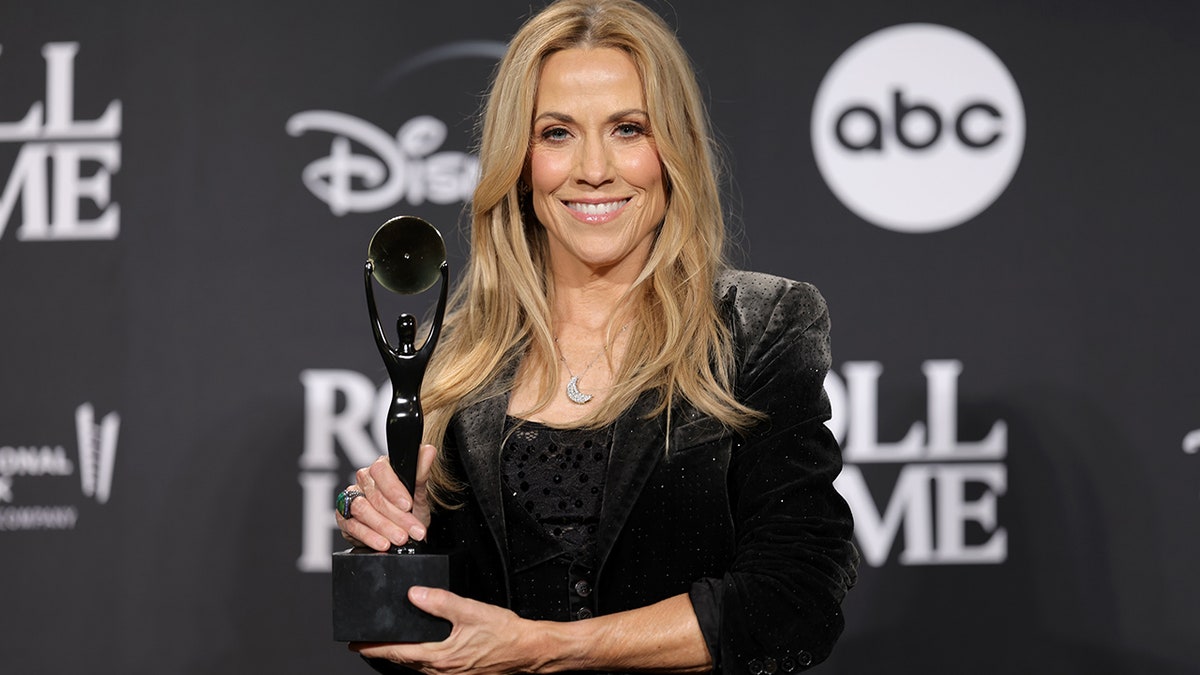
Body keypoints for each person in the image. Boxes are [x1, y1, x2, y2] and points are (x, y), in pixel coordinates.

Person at [334, 1, 858, 673]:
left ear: (675, 148)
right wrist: (379, 531)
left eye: (628, 129)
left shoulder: (760, 325)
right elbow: (413, 641)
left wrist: (546, 647)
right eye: (556, 133)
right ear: (519, 164)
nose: (593, 168)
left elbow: (795, 601)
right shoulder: (462, 362)